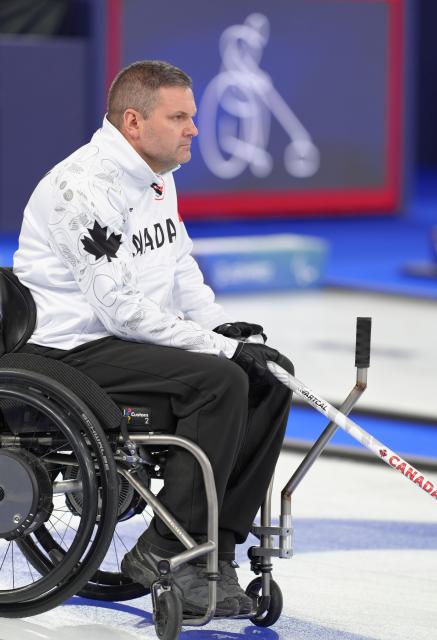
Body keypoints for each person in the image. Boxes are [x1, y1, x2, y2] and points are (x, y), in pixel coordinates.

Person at [13, 60, 293, 617]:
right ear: (135, 121)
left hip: (123, 343)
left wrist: (219, 331)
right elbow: (118, 310)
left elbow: (179, 264)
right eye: (181, 116)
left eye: (193, 116)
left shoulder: (156, 175)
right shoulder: (80, 188)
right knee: (218, 381)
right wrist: (220, 351)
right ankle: (168, 550)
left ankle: (218, 550)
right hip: (69, 351)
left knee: (270, 379)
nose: (194, 129)